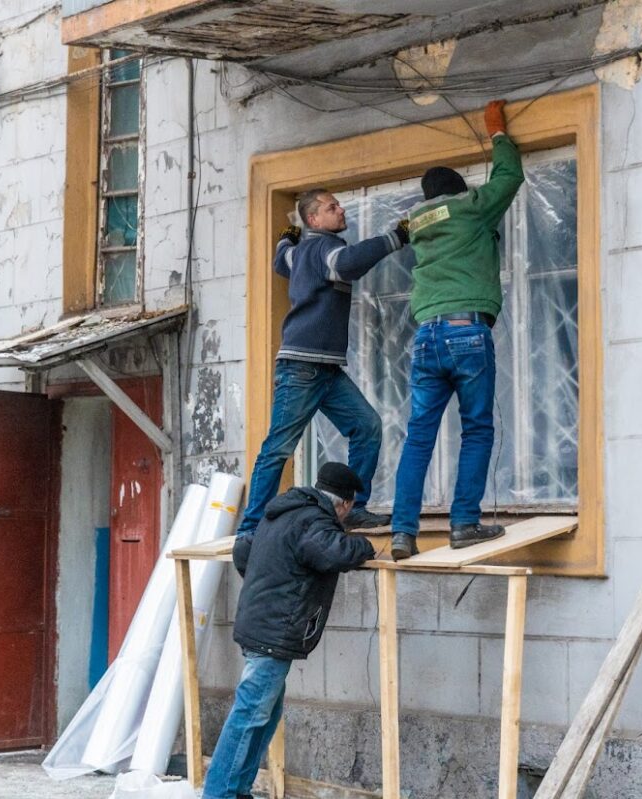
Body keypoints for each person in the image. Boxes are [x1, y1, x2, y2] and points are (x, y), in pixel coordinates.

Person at [388, 100, 525, 561]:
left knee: (419, 436)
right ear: (458, 189)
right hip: (467, 331)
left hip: (426, 337)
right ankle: (464, 523)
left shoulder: (420, 224)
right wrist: (499, 136)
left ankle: (403, 532)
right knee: (477, 430)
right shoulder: (470, 207)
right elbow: (508, 180)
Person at [235, 189, 409, 539]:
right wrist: (397, 237)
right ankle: (250, 530)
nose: (341, 210)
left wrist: (285, 239)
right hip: (302, 367)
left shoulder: (299, 252)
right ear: (314, 219)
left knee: (367, 426)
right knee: (278, 447)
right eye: (332, 207)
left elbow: (280, 260)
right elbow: (347, 263)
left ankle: (354, 510)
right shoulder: (325, 247)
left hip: (325, 370)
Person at [207, 463, 375, 799]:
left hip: (259, 624)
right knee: (250, 715)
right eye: (350, 510)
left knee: (264, 715)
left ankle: (237, 789)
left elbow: (243, 549)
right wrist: (365, 546)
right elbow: (332, 553)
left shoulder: (282, 513)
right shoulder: (314, 521)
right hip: (273, 634)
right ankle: (218, 794)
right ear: (343, 504)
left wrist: (266, 585)